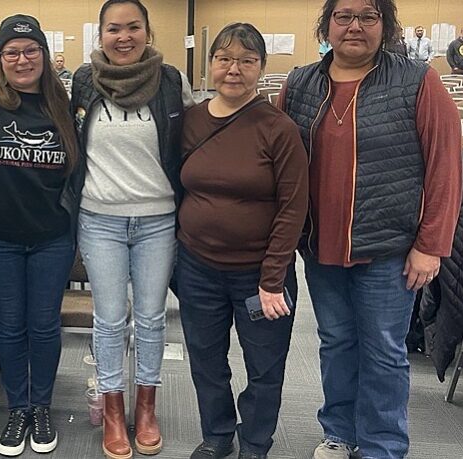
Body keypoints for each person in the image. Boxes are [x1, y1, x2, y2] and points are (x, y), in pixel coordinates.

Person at [279, 1, 462, 457]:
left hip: (390, 249)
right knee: (336, 343)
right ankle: (340, 433)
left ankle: (383, 445)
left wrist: (431, 245)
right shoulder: (299, 84)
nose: (354, 26)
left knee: (383, 350)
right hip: (320, 247)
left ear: (385, 25)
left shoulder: (418, 81)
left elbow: (444, 168)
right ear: (327, 25)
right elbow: (279, 165)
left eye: (368, 16)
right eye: (343, 16)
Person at [68, 0, 194, 457]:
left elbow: (193, 138)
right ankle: (113, 410)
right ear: (101, 35)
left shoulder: (170, 81)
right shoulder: (84, 81)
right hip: (99, 219)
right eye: (114, 29)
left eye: (133, 27)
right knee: (108, 319)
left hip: (157, 220)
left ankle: (146, 408)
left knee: (152, 317)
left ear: (147, 31)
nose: (124, 37)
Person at [177, 23, 308, 459]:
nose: (234, 69)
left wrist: (272, 280)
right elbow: (177, 187)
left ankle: (254, 443)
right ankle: (217, 435)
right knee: (206, 359)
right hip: (197, 267)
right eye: (224, 59)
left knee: (265, 366)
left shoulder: (278, 128)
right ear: (210, 64)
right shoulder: (191, 121)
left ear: (261, 68)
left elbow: (293, 208)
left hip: (260, 275)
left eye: (247, 61)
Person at [0, 14, 79, 457]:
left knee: (44, 326)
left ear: (44, 56)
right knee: (10, 327)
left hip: (52, 238)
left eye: (31, 50)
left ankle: (41, 407)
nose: (22, 59)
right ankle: (17, 409)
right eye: (11, 52)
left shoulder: (62, 103)